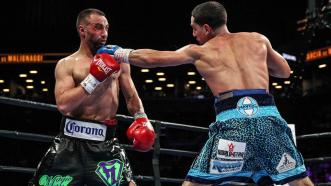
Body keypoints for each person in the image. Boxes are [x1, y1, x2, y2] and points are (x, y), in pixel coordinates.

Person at [97, 1, 314, 186]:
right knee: (300, 181)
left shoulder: (199, 51)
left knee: (195, 183)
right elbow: (284, 71)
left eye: (195, 29)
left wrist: (120, 53)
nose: (193, 34)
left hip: (233, 126)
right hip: (268, 119)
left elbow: (154, 59)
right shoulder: (258, 39)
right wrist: (252, 64)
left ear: (207, 28)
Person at [29, 8, 155, 186]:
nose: (104, 33)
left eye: (106, 28)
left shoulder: (119, 61)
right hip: (69, 145)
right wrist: (94, 78)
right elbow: (64, 106)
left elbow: (131, 96)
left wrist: (141, 118)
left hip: (105, 145)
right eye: (98, 27)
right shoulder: (66, 64)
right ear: (82, 30)